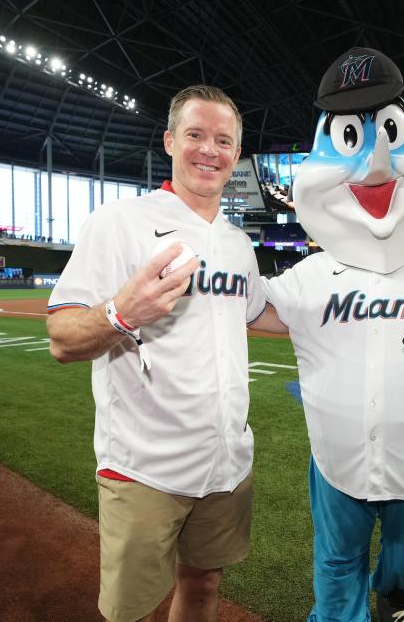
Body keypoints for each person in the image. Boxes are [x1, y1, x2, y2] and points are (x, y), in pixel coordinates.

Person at [248, 48, 404, 622]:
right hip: (338, 461)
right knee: (337, 565)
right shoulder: (311, 274)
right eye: (352, 137)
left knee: (402, 559)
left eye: (390, 133)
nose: (374, 165)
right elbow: (250, 309)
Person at [46, 85, 264, 622]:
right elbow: (62, 337)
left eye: (222, 140)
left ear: (236, 154)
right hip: (145, 464)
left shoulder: (238, 242)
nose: (208, 150)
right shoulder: (120, 221)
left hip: (226, 460)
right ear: (170, 141)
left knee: (205, 582)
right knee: (132, 611)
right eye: (195, 135)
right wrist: (124, 311)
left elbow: (264, 312)